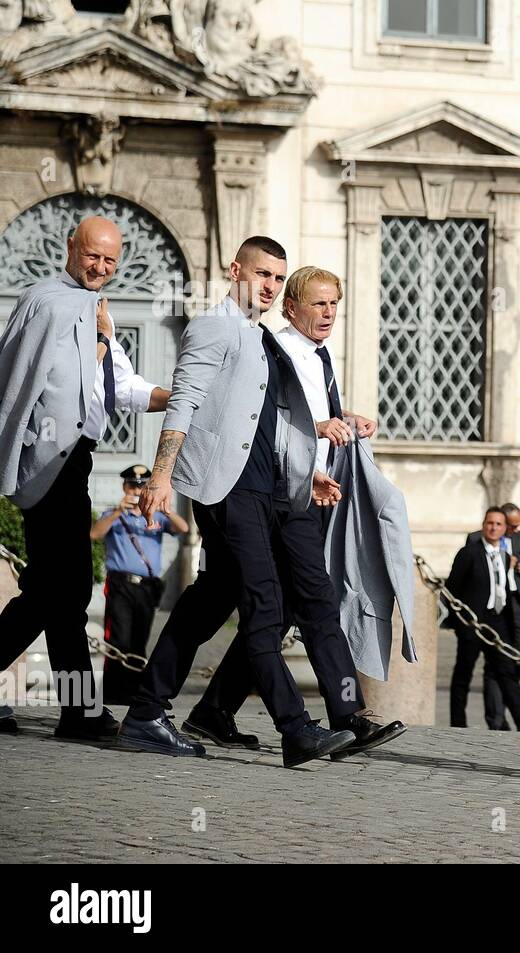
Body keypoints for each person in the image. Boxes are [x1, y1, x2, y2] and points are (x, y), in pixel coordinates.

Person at [122, 236, 358, 768]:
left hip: (263, 486)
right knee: (264, 601)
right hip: (226, 490)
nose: (271, 287)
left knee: (209, 602)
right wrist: (161, 477)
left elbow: (266, 421)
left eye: (278, 278)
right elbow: (184, 400)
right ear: (236, 271)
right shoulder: (214, 326)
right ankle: (296, 729)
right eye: (262, 275)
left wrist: (307, 470)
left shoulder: (258, 339)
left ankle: (145, 712)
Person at [177, 266, 406, 759]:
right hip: (279, 498)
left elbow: (308, 422)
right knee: (317, 604)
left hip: (305, 494)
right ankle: (348, 714)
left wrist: (345, 421)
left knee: (277, 613)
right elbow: (267, 426)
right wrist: (313, 451)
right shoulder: (274, 352)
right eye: (319, 304)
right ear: (292, 308)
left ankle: (213, 711)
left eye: (334, 304)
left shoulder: (320, 357)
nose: (328, 314)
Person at [0, 216, 167, 739]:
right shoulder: (48, 300)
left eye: (110, 260)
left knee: (59, 589)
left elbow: (117, 387)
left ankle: (79, 711)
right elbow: (18, 382)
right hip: (50, 460)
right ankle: (81, 712)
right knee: (60, 587)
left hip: (78, 458)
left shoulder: (98, 311)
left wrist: (179, 398)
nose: (101, 268)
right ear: (70, 247)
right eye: (92, 256)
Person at [446, 507, 520, 733]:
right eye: (489, 523)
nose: (493, 528)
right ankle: (457, 724)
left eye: (498, 524)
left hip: (497, 622)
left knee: (506, 671)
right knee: (463, 673)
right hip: (472, 623)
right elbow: (451, 589)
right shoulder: (469, 553)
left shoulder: (505, 557)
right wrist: (458, 624)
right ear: (483, 525)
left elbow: (502, 589)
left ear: (505, 530)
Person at [90, 464, 189, 706]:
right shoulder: (114, 514)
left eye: (141, 486)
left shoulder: (155, 517)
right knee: (119, 638)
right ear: (124, 487)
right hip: (121, 584)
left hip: (147, 586)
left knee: (139, 639)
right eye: (132, 485)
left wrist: (163, 508)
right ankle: (113, 693)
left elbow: (183, 528)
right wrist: (117, 511)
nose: (136, 490)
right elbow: (94, 534)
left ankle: (135, 691)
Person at [466, 502, 520, 725]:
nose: (516, 530)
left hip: (516, 606)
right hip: (492, 610)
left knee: (519, 660)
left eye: (518, 525)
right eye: (513, 525)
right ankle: (496, 718)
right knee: (495, 665)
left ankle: (509, 704)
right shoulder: (475, 540)